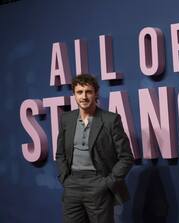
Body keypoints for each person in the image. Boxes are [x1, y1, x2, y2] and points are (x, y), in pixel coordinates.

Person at [56, 74, 134, 223]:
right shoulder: (66, 119)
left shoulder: (111, 120)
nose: (84, 97)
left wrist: (107, 182)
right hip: (72, 185)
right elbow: (60, 154)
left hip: (98, 184)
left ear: (96, 94)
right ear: (74, 95)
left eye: (88, 92)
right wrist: (65, 179)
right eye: (79, 92)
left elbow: (126, 157)